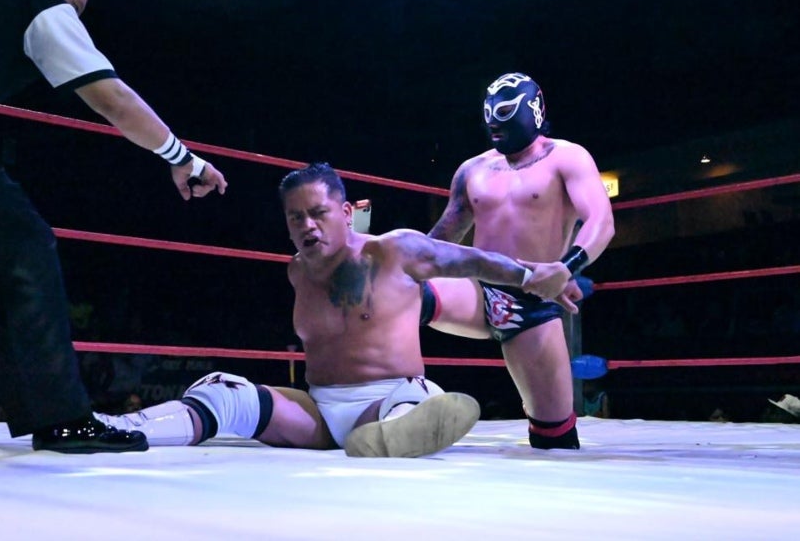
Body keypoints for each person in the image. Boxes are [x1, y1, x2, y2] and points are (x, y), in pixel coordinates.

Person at [97, 162, 578, 457]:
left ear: (345, 214)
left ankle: (401, 429)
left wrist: (531, 276)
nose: (307, 226)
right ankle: (123, 430)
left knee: (415, 403)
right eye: (296, 218)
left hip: (387, 397)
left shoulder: (395, 251)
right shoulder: (296, 271)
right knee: (223, 393)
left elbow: (471, 259)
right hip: (320, 413)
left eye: (318, 213)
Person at [0, 0, 228, 453]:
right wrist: (183, 157)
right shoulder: (38, 3)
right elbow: (113, 99)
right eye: (76, 9)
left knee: (3, 249)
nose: (76, 19)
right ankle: (60, 419)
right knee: (22, 250)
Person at [426, 72, 615, 449]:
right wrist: (387, 261)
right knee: (400, 292)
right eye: (488, 113)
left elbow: (602, 220)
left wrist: (566, 268)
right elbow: (440, 239)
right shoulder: (472, 169)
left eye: (505, 112)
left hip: (531, 299)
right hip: (477, 290)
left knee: (554, 437)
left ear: (533, 109)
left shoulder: (566, 157)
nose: (494, 122)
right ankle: (396, 400)